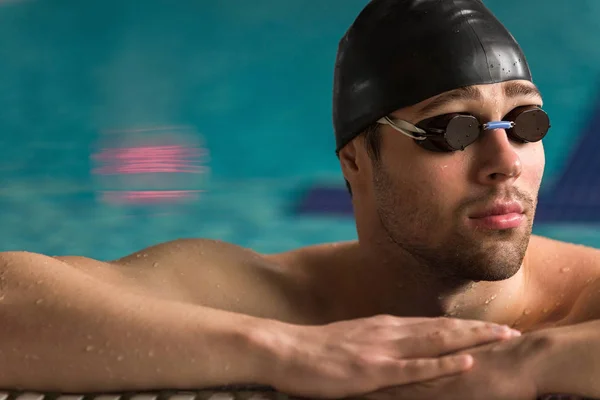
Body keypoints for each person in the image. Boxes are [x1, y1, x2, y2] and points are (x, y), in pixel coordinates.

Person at [1, 0, 600, 399]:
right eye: (453, 131)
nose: (505, 164)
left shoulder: (580, 300)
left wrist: (528, 363)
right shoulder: (270, 300)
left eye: (525, 123)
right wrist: (288, 352)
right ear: (355, 160)